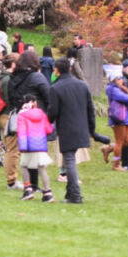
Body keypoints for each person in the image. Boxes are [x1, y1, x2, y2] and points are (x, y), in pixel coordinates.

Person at [49, 57, 108, 204]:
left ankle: (75, 195)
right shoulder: (82, 85)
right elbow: (90, 110)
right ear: (70, 68)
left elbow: (52, 112)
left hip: (66, 128)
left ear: (56, 70)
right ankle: (70, 193)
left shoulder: (55, 88)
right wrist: (92, 131)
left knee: (69, 160)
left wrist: (46, 124)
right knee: (70, 160)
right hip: (81, 127)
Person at [2, 50, 51, 189]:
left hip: (21, 118)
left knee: (26, 152)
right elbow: (49, 96)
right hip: (35, 119)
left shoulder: (13, 78)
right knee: (35, 152)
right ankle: (35, 185)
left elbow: (11, 98)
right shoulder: (37, 77)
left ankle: (29, 184)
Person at [16, 98, 54, 201]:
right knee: (41, 168)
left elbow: (22, 132)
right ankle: (47, 193)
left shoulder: (22, 115)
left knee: (23, 166)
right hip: (40, 145)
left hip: (29, 145)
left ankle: (28, 189)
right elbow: (49, 129)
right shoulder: (41, 114)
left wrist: (22, 147)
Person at [102, 71, 128, 171]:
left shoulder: (122, 88)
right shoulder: (112, 89)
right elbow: (126, 98)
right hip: (118, 118)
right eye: (119, 78)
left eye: (121, 78)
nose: (122, 80)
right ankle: (116, 164)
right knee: (120, 142)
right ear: (114, 79)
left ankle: (109, 148)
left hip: (127, 117)